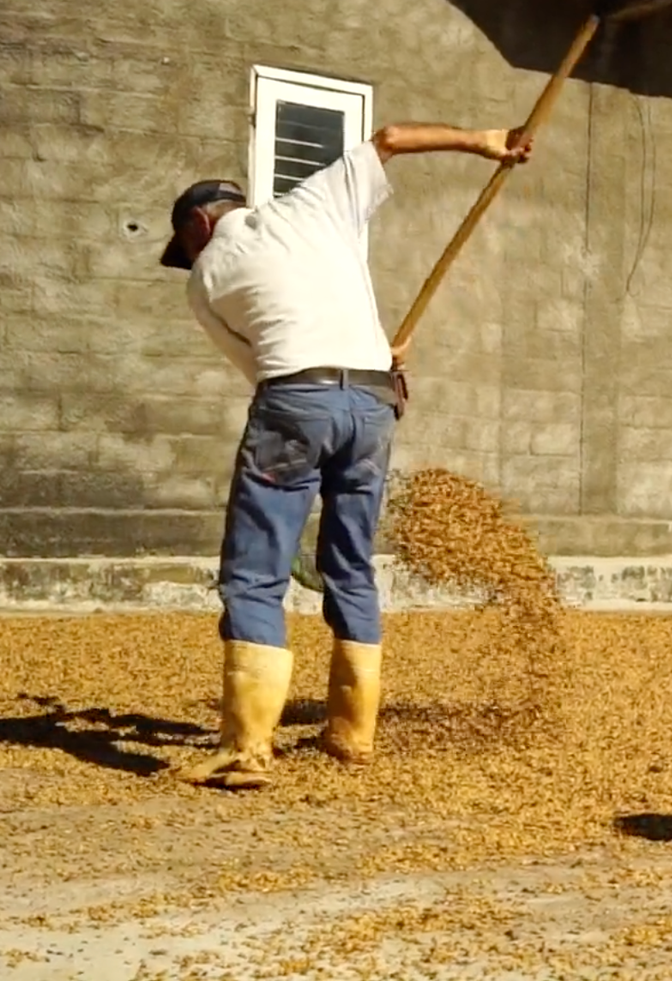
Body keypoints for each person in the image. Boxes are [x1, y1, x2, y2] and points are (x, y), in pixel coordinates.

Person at [157, 121, 532, 789]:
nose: (186, 257)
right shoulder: (314, 203)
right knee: (350, 563)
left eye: (184, 245)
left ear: (198, 226)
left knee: (253, 574)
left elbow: (263, 370)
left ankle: (246, 749)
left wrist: (311, 400)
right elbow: (388, 138)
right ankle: (352, 732)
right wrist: (486, 141)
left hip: (297, 397)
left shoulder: (204, 279)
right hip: (373, 399)